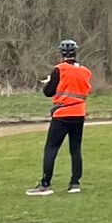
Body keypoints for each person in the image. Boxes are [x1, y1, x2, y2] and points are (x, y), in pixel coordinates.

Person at [27, 39, 91, 196]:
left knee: (51, 148)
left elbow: (48, 92)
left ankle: (45, 184)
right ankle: (75, 183)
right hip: (79, 113)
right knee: (75, 149)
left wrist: (49, 82)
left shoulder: (59, 69)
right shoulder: (85, 71)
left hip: (62, 113)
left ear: (62, 54)